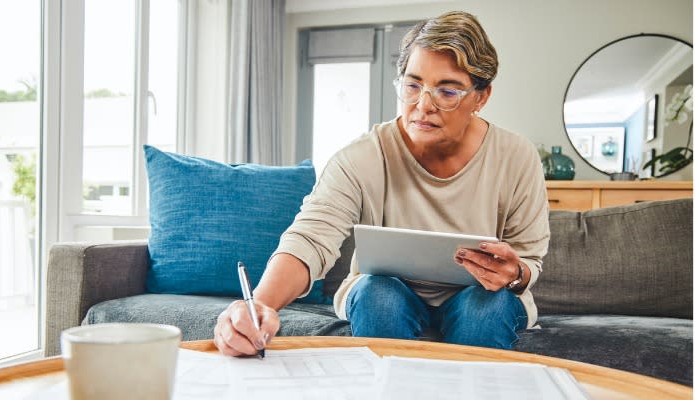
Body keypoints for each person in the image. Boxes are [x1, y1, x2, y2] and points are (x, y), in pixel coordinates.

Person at [214, 10, 550, 357]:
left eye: (447, 92)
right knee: (378, 295)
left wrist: (514, 274)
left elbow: (528, 262)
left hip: (479, 296)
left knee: (487, 307)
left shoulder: (516, 157)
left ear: (481, 97)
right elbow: (311, 238)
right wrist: (261, 306)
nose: (423, 106)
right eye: (412, 85)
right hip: (386, 293)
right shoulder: (362, 156)